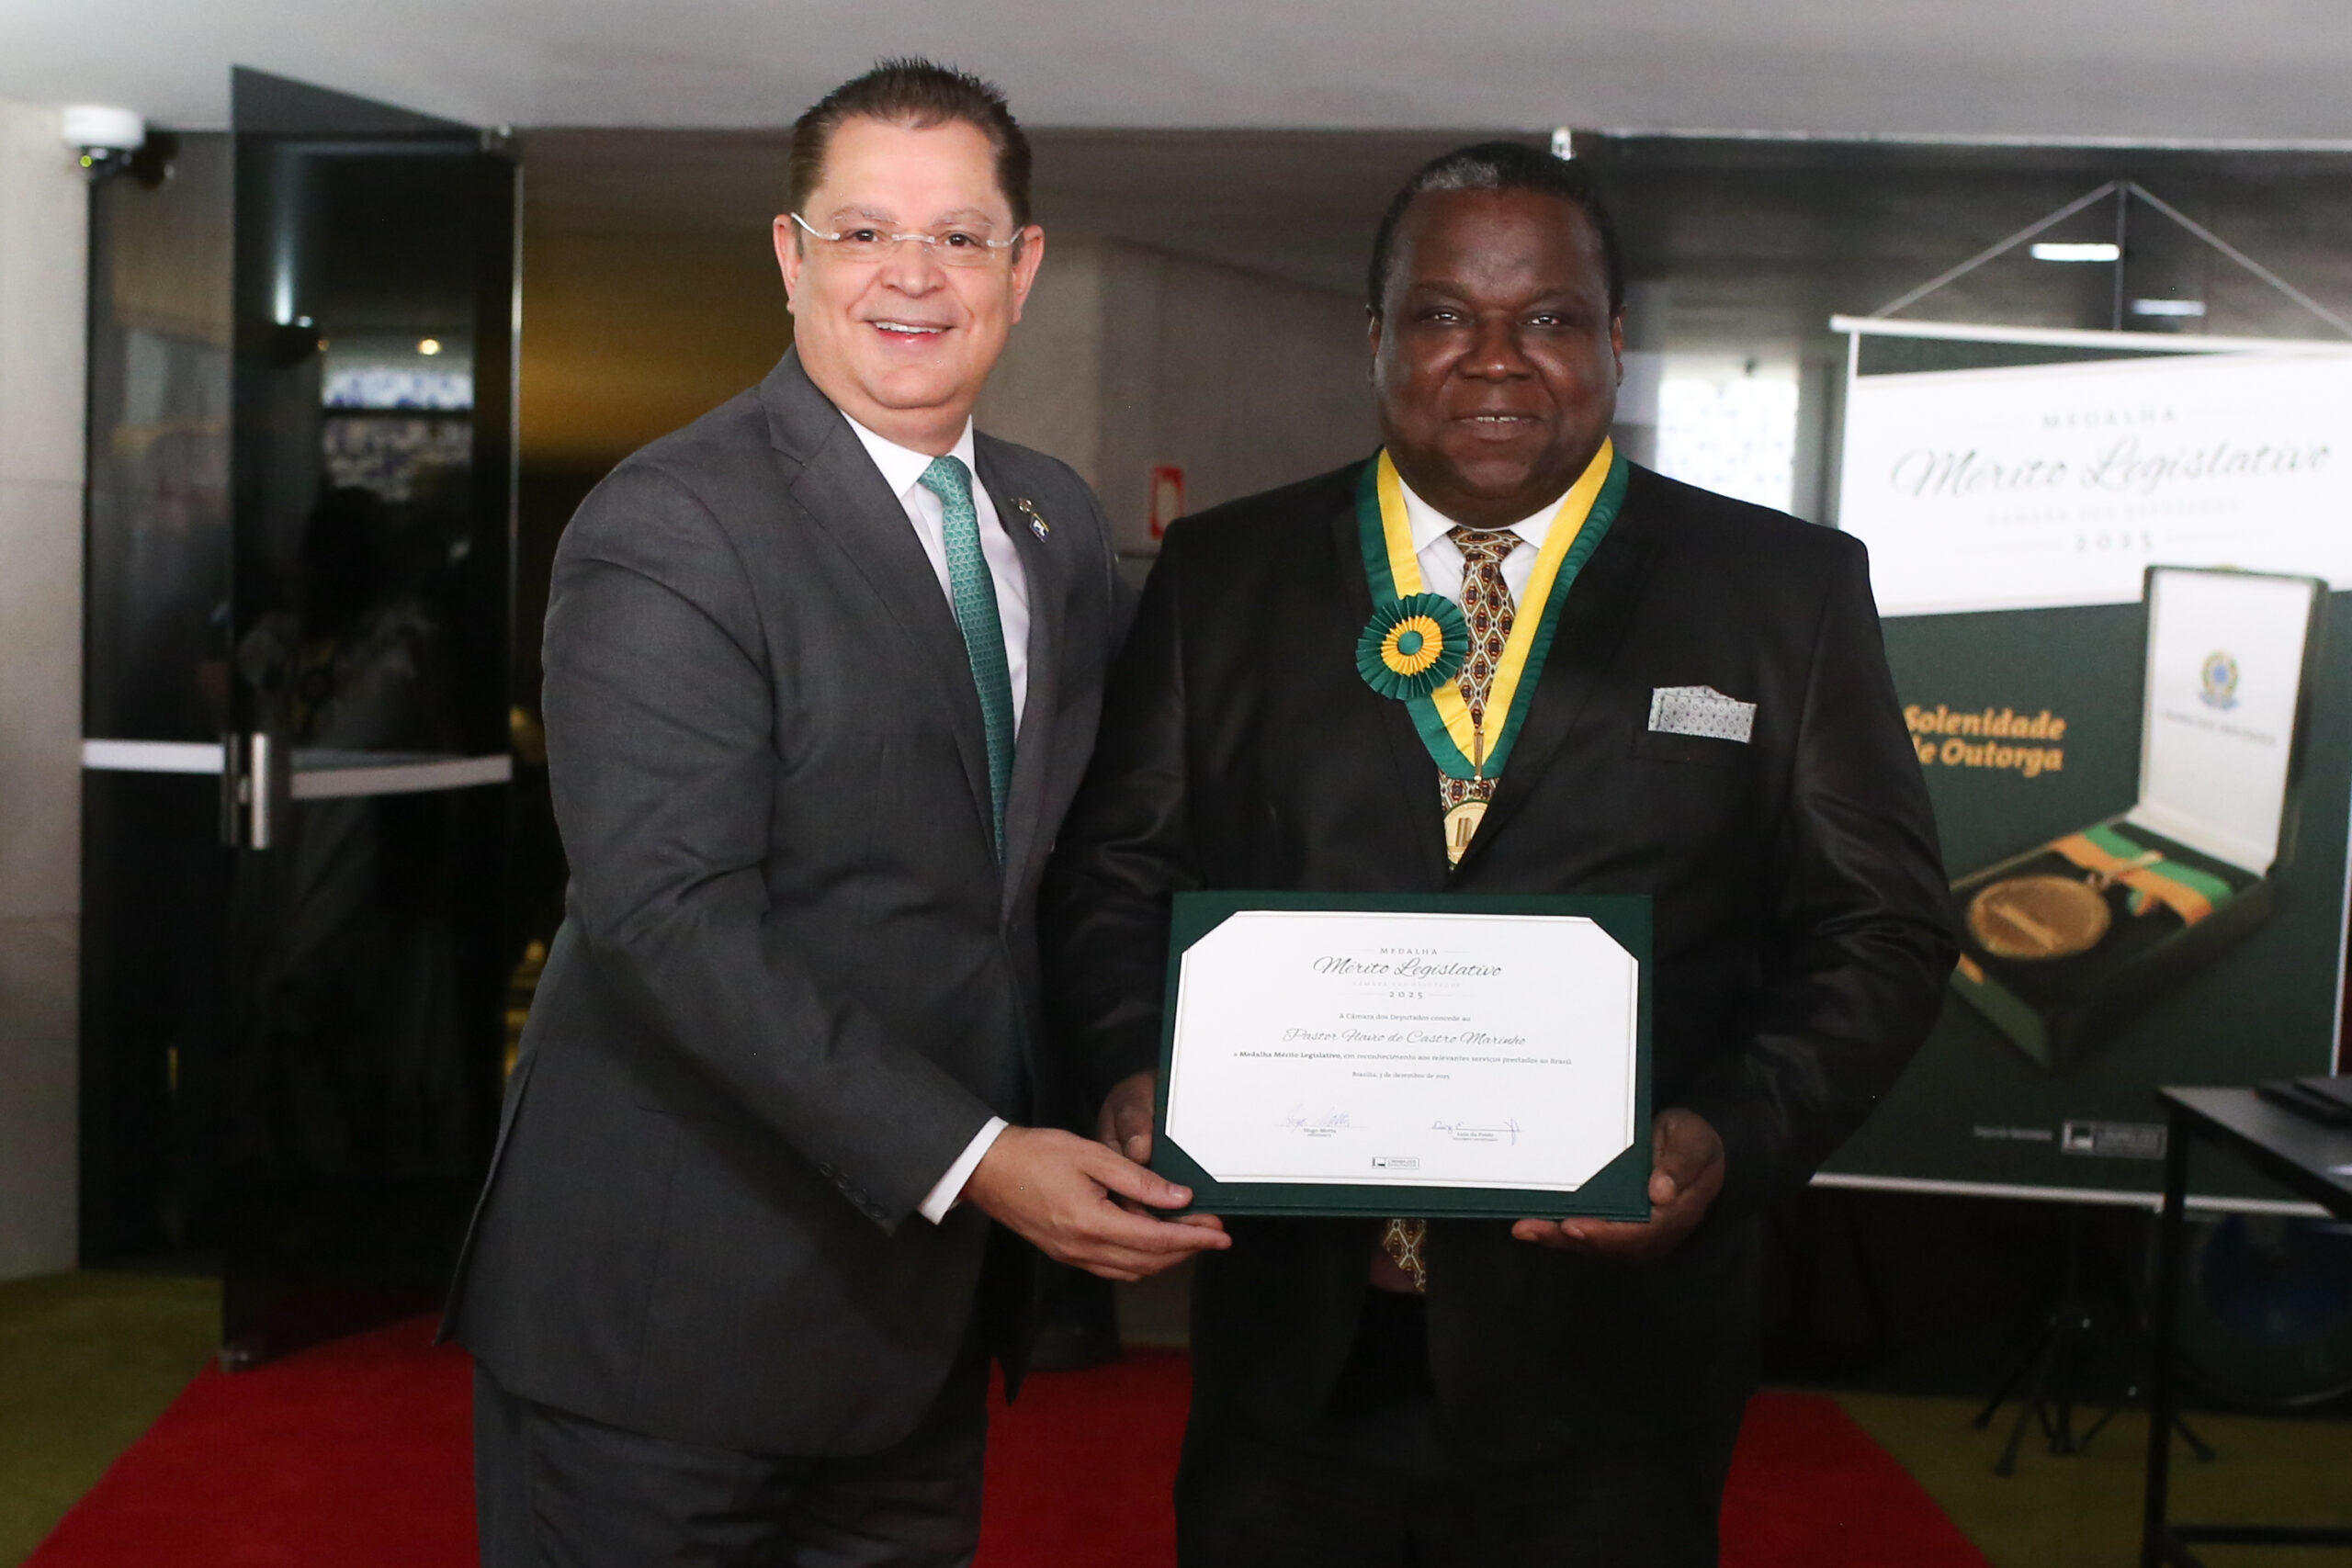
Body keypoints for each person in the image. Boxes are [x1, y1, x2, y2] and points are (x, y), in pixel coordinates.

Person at [1044, 141, 1956, 1567]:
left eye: (1546, 317)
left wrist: (1728, 1135)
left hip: (1615, 1363)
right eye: (1444, 314)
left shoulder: (1783, 592)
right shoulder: (1224, 577)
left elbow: (1882, 926)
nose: (1494, 358)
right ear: (1377, 336)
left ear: (1613, 340)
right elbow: (1115, 873)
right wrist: (1128, 1062)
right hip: (1290, 1342)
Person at [445, 58, 1227, 1568]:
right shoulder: (673, 525)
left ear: (1022, 268)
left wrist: (1134, 1071)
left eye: (959, 236)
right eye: (863, 232)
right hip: (667, 1318)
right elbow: (668, 920)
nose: (912, 276)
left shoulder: (1054, 523)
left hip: (913, 1321)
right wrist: (980, 1158)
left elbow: (1073, 865)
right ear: (791, 256)